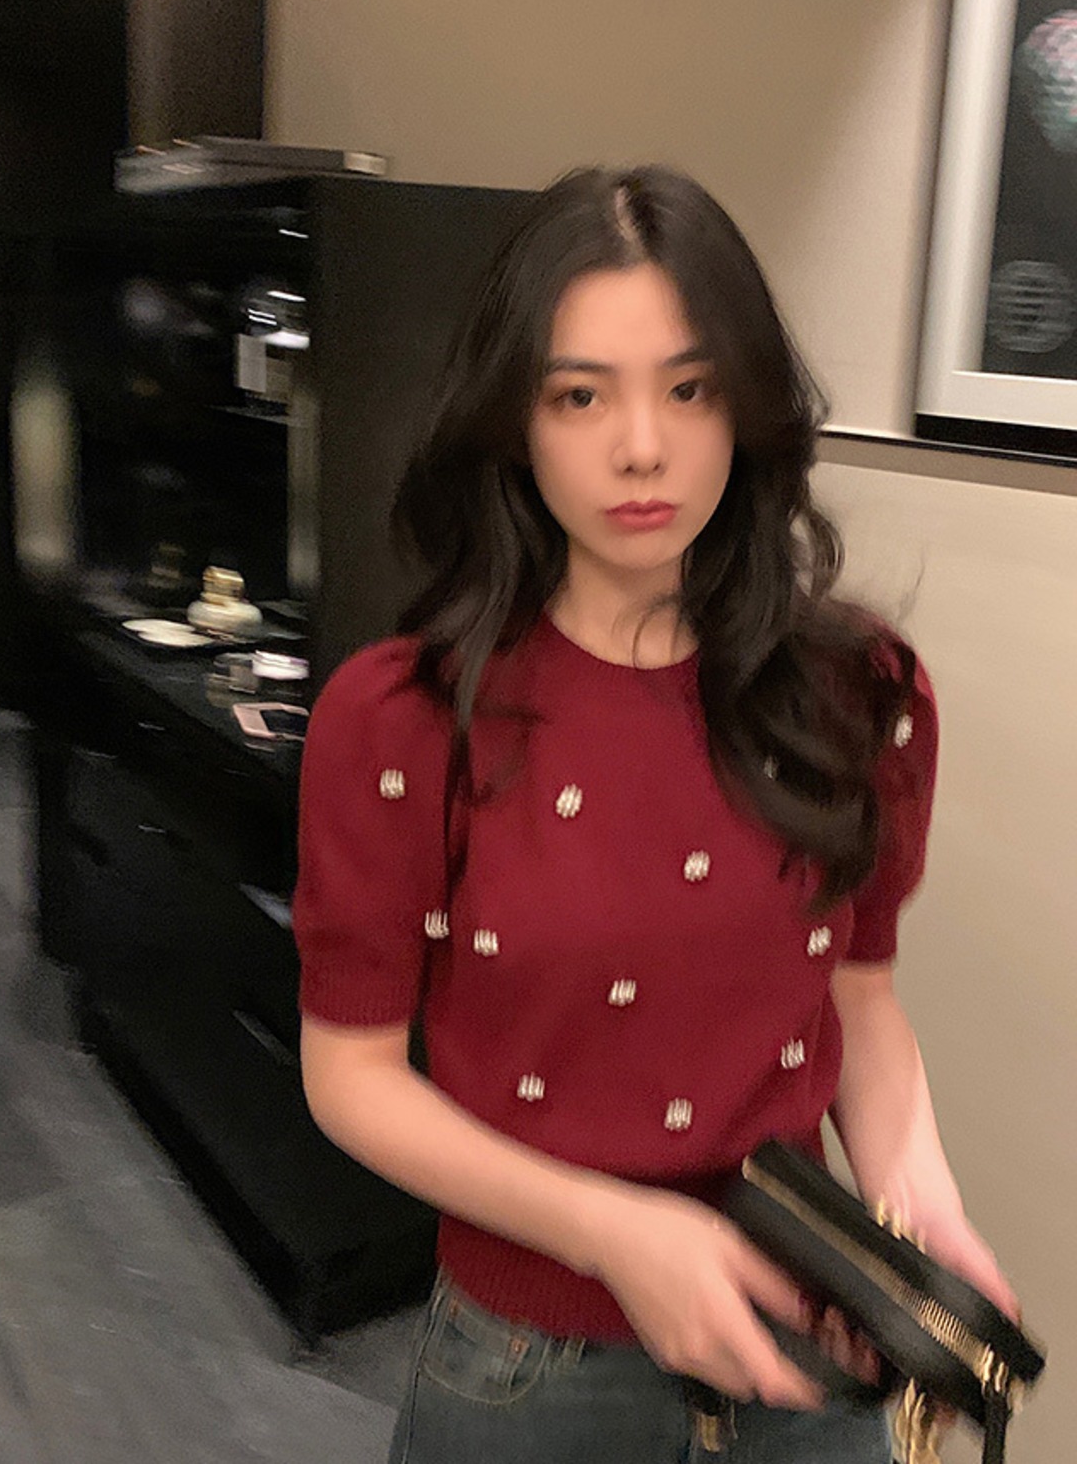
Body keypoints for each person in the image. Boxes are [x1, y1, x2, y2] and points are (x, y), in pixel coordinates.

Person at [292, 166, 1016, 1464]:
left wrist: (920, 1211)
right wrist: (614, 1234)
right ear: (516, 422)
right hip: (530, 1369)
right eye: (581, 395)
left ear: (747, 405)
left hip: (800, 1324)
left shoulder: (856, 692)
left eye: (690, 389)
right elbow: (351, 1076)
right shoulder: (405, 722)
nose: (642, 446)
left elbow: (857, 998)